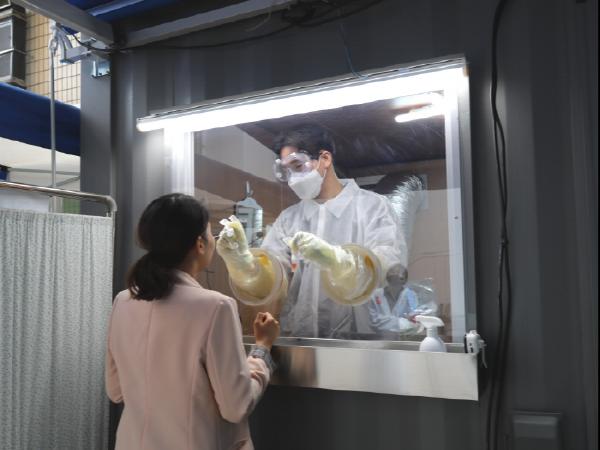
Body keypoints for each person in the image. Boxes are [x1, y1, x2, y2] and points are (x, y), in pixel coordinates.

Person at [105, 193, 279, 450]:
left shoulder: (123, 301)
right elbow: (236, 406)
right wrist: (261, 351)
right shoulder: (215, 307)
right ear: (199, 244)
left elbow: (116, 390)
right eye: (209, 233)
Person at [217, 124, 418, 338]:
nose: (292, 179)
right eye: (286, 172)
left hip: (362, 342)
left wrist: (339, 261)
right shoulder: (289, 219)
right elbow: (272, 282)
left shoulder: (372, 208)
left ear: (325, 159)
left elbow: (388, 269)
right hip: (303, 341)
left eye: (297, 166)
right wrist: (243, 264)